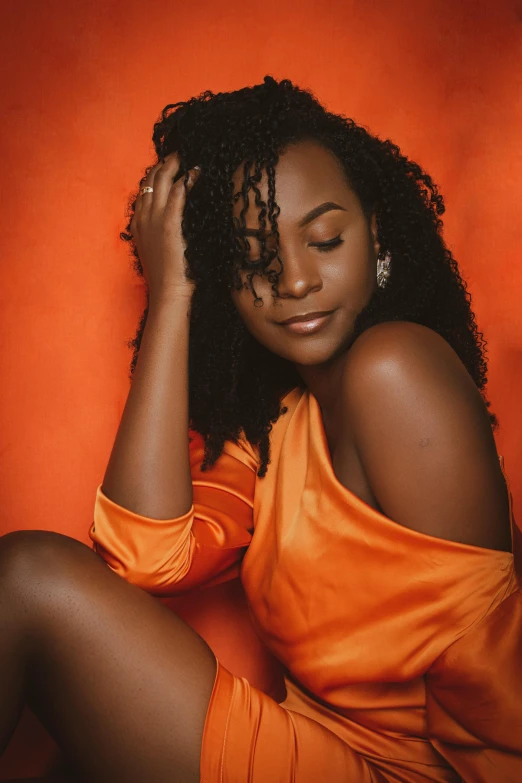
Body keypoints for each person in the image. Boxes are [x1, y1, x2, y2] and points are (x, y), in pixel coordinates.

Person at [0, 75, 520, 783]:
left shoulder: (397, 371)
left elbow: (493, 672)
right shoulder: (271, 428)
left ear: (380, 238)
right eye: (254, 258)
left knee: (26, 577)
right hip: (318, 750)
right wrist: (174, 294)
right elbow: (143, 556)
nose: (295, 280)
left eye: (326, 239)